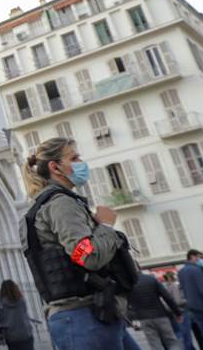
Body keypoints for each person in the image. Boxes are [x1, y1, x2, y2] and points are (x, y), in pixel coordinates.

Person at [21, 137, 135, 350]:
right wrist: (107, 227)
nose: (81, 162)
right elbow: (84, 255)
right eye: (74, 158)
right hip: (85, 317)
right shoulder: (61, 204)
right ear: (55, 167)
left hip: (89, 314)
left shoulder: (45, 205)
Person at [128, 271, 183, 350]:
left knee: (155, 345)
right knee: (171, 341)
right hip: (160, 315)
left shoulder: (128, 284)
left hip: (143, 318)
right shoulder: (151, 279)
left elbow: (128, 304)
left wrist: (133, 318)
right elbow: (166, 297)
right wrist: (178, 313)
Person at [0, 280, 34, 350]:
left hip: (11, 335)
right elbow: (25, 313)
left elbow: (1, 320)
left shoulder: (1, 303)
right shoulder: (21, 300)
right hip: (26, 332)